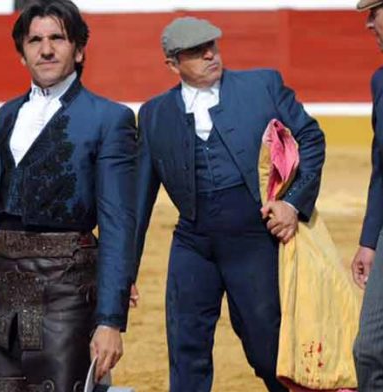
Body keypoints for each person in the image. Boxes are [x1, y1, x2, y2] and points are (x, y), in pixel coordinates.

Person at [0, 0, 138, 391]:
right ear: (22, 54)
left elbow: (117, 224)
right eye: (35, 40)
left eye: (57, 38)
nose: (46, 49)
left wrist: (110, 320)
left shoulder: (110, 119)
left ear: (78, 50)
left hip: (69, 295)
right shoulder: (5, 117)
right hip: (4, 293)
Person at [134, 16, 325, 392]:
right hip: (192, 240)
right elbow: (139, 201)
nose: (210, 54)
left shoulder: (262, 85)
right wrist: (125, 273)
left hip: (253, 237)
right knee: (185, 350)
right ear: (172, 64)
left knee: (267, 348)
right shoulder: (155, 114)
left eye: (213, 45)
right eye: (195, 51)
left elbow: (312, 140)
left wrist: (294, 203)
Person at [352, 1, 383, 390]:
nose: (368, 24)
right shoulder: (380, 80)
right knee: (370, 350)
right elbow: (381, 166)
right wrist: (368, 240)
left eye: (374, 11)